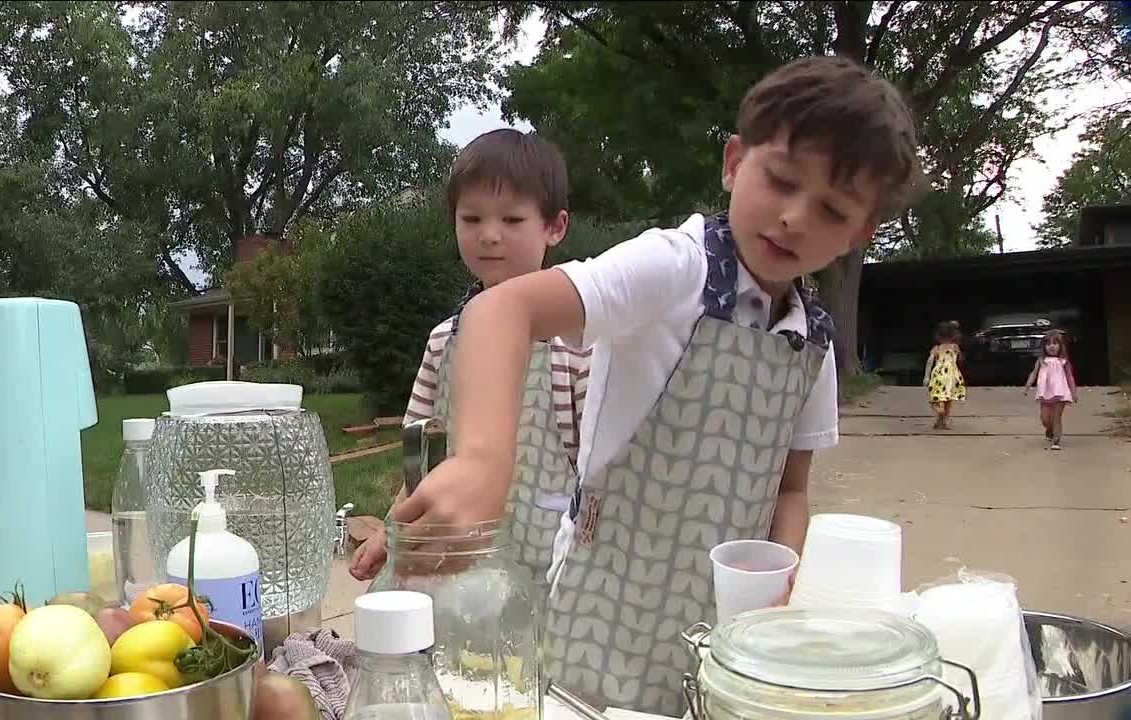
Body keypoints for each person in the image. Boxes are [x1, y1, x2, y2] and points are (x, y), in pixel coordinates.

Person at [390, 55, 923, 716]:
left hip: (720, 645)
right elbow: (501, 311)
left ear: (861, 232)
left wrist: (778, 586)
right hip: (597, 634)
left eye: (832, 209)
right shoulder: (674, 267)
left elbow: (789, 487)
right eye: (781, 180)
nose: (793, 218)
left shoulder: (809, 339)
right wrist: (481, 459)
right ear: (734, 161)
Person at [349, 128, 589, 586]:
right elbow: (416, 467)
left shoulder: (576, 346)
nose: (490, 236)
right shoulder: (444, 342)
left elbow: (595, 476)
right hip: (450, 566)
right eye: (472, 219)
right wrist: (392, 532)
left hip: (545, 574)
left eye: (513, 220)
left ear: (555, 226)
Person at [1025, 329, 1078, 450]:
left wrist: (1073, 392)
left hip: (1060, 393)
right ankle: (1049, 429)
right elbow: (1034, 373)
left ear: (1060, 346)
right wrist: (1028, 385)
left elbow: (1070, 377)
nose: (1052, 346)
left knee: (1057, 417)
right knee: (1045, 419)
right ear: (1044, 347)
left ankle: (1056, 440)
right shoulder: (1041, 360)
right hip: (1045, 393)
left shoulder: (1063, 361)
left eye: (1055, 343)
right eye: (1048, 344)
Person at [924, 320, 967, 430]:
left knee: (937, 397)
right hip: (952, 376)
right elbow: (960, 359)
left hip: (939, 375)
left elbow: (930, 361)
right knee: (949, 398)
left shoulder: (937, 348)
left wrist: (926, 376)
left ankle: (940, 414)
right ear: (954, 335)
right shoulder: (955, 347)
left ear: (938, 336)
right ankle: (943, 420)